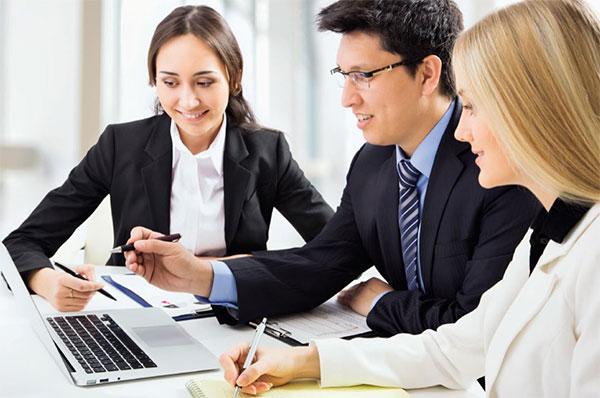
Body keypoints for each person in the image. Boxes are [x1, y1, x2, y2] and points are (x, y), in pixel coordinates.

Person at [219, 0, 600, 395]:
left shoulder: (588, 253)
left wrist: (382, 305)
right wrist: (304, 361)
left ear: (533, 109)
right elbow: (457, 348)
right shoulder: (549, 233)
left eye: (471, 106)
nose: (461, 131)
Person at [125, 0, 539, 336]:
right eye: (344, 75)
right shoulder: (373, 163)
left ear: (428, 73)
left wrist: (380, 302)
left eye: (363, 75)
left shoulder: (499, 163)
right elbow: (320, 264)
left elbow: (474, 327)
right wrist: (200, 276)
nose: (347, 99)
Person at [2, 5, 333, 312]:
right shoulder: (121, 144)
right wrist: (46, 281)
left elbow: (337, 245)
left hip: (234, 320)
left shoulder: (267, 151)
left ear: (233, 77)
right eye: (170, 82)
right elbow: (22, 242)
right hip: (134, 316)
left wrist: (242, 264)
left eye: (204, 82)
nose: (188, 101)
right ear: (154, 80)